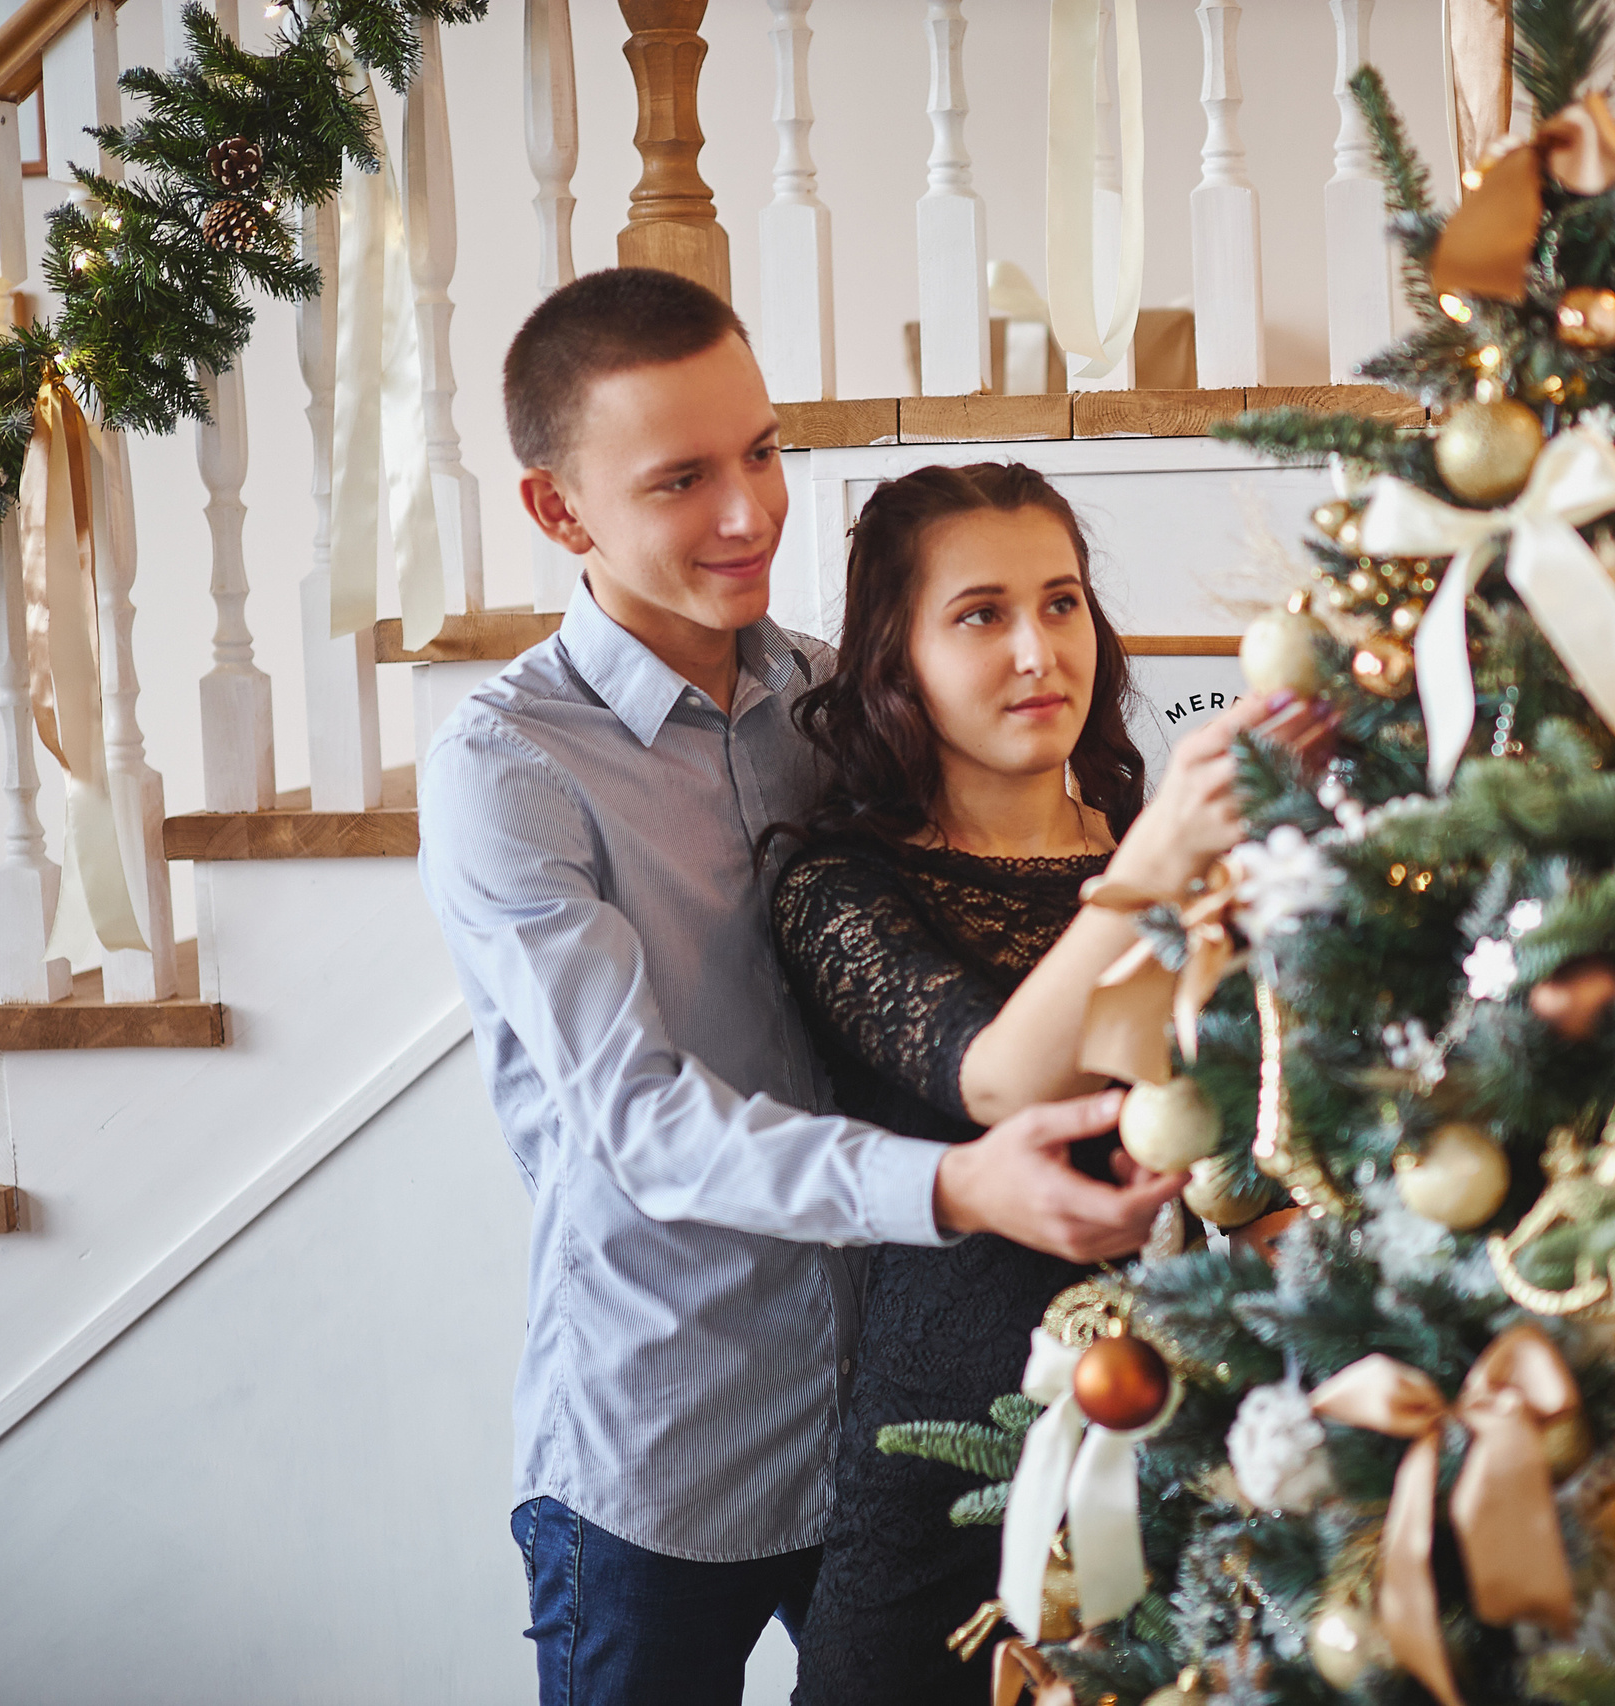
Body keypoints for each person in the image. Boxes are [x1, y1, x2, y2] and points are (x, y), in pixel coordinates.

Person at [417, 270, 1187, 1706]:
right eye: (681, 479)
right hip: (670, 1456)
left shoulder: (841, 706)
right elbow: (641, 1124)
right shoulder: (506, 772)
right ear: (558, 510)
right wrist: (956, 1186)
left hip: (894, 1427)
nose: (748, 512)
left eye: (763, 451)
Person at [769, 463, 1322, 1705]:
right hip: (942, 1477)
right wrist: (1156, 862)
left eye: (1062, 602)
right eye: (979, 614)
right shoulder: (841, 884)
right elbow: (996, 1077)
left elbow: (1263, 1137)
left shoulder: (1163, 846)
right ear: (894, 658)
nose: (1037, 649)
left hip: (1190, 1461)